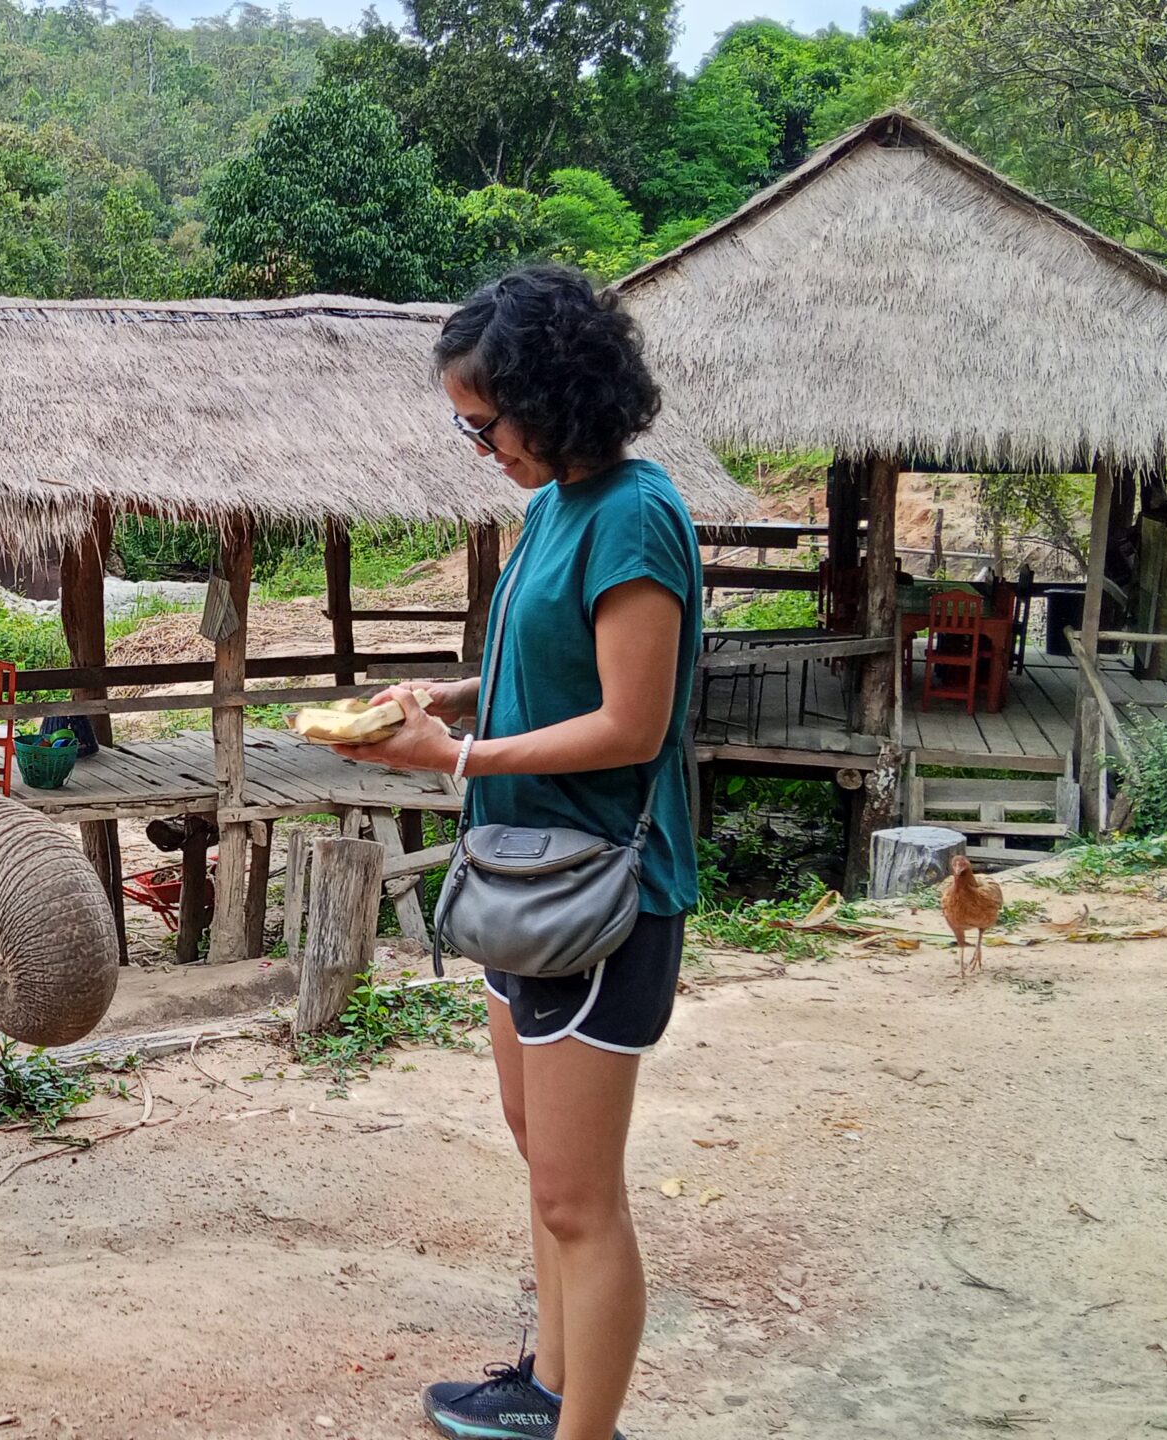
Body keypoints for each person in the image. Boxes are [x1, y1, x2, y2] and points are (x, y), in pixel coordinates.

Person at [332, 264, 700, 1440]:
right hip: (525, 879)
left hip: (600, 892)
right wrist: (451, 693)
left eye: (485, 423)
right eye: (466, 426)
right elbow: (560, 673)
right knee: (545, 1161)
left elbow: (629, 723)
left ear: (555, 394)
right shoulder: (553, 509)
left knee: (581, 1199)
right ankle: (547, 1388)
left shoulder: (636, 513)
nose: (478, 445)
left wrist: (451, 761)